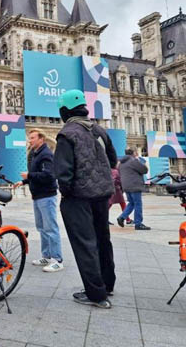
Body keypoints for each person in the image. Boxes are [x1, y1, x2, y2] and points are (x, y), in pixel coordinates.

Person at [54, 90, 117, 309]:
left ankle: (96, 294)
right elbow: (113, 160)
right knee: (102, 239)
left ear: (65, 111)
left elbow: (63, 172)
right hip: (102, 195)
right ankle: (107, 284)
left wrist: (67, 192)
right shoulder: (99, 130)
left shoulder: (67, 133)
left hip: (79, 198)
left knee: (85, 245)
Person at [15, 129, 63, 273]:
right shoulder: (35, 153)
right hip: (38, 195)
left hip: (47, 196)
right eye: (30, 138)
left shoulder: (46, 154)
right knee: (42, 228)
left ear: (41, 139)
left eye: (33, 138)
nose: (30, 140)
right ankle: (47, 256)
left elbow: (49, 176)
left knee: (51, 228)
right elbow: (37, 174)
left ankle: (57, 260)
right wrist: (24, 182)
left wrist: (29, 175)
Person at [116, 149, 150, 230]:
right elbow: (144, 170)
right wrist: (140, 161)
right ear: (133, 153)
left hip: (126, 186)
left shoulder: (121, 163)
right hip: (134, 185)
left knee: (131, 203)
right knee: (138, 204)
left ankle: (122, 217)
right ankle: (138, 224)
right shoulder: (133, 161)